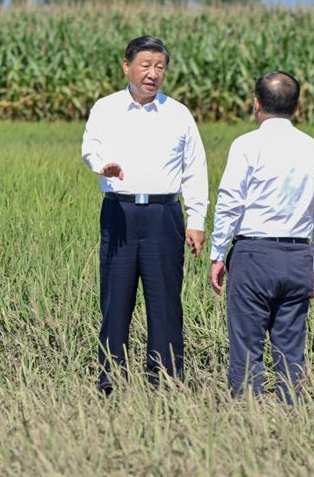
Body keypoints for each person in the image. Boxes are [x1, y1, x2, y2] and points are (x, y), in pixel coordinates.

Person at [81, 35, 209, 394]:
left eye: (160, 67)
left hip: (164, 215)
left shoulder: (178, 113)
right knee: (115, 300)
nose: (153, 73)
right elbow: (90, 146)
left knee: (165, 301)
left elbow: (195, 169)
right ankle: (111, 380)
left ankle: (165, 381)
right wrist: (101, 166)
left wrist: (196, 220)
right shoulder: (106, 108)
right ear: (127, 66)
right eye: (145, 65)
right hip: (119, 213)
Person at [209, 71, 314, 402]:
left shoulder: (247, 145)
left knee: (246, 346)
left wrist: (218, 253)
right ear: (298, 105)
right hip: (298, 257)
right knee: (291, 349)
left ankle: (248, 420)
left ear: (256, 103)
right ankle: (292, 417)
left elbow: (230, 202)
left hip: (254, 255)